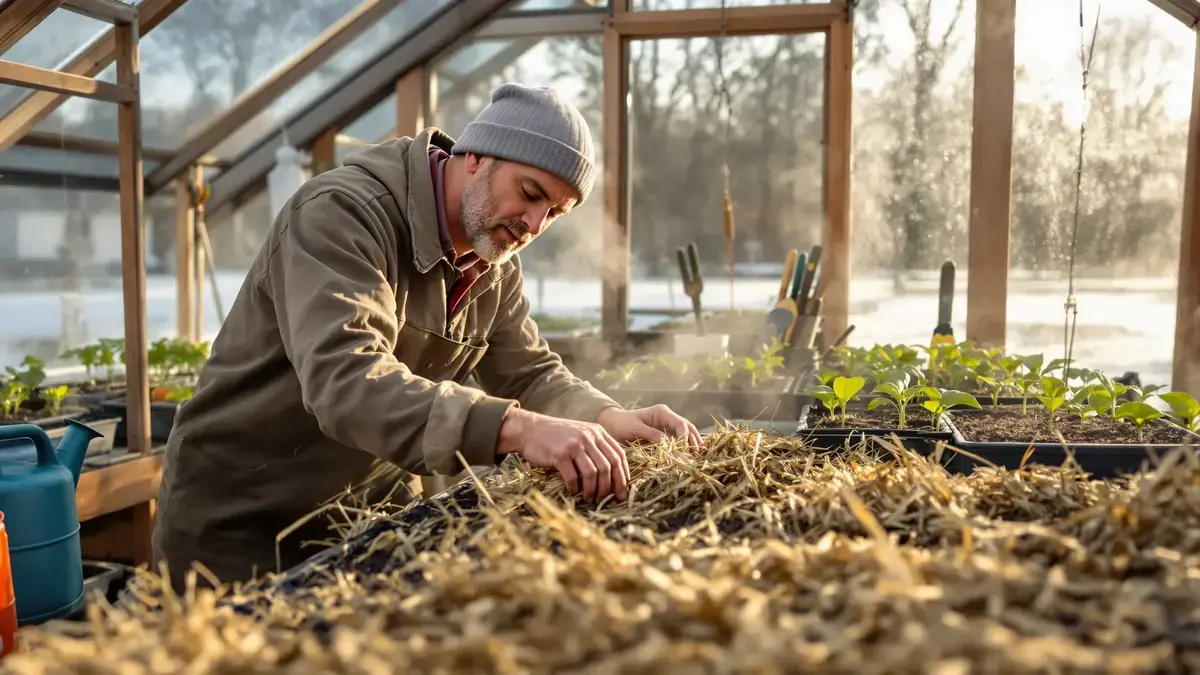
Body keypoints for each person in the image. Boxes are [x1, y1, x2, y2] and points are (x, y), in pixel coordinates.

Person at [152, 83, 703, 592]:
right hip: (241, 524)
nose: (534, 224)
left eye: (553, 213)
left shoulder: (493, 263)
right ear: (477, 155)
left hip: (361, 519)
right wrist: (518, 428)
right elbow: (348, 381)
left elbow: (528, 372)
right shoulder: (343, 216)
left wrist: (606, 417)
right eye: (530, 192)